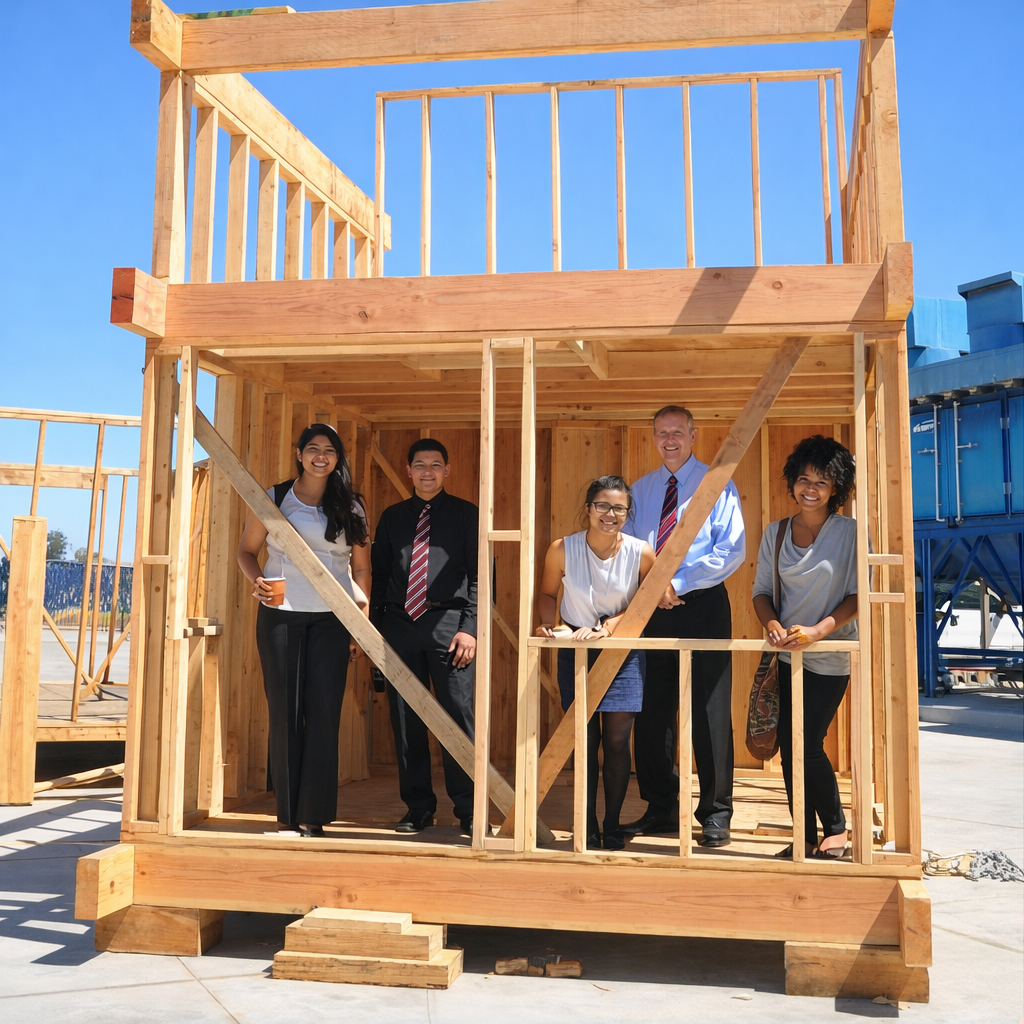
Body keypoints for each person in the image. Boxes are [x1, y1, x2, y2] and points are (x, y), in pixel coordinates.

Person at [237, 423, 370, 838]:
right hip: (281, 615)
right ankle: (286, 817)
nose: (320, 456)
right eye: (312, 448)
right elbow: (246, 551)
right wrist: (256, 579)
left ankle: (314, 818)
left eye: (329, 451)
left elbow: (361, 566)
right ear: (298, 453)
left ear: (337, 459)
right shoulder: (275, 498)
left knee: (324, 714)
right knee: (285, 713)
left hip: (333, 618)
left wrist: (359, 621)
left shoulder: (353, 505)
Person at [622, 405, 745, 847]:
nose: (669, 439)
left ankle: (715, 814)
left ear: (693, 435)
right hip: (650, 610)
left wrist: (676, 581)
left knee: (710, 711)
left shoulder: (717, 484)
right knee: (652, 711)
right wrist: (651, 587)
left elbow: (731, 550)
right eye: (661, 433)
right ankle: (661, 808)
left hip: (704, 603)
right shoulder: (641, 489)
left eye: (677, 432)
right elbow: (630, 549)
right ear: (653, 437)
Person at [752, 434, 859, 859]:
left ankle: (835, 828)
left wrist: (818, 631)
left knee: (808, 741)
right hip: (785, 655)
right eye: (803, 479)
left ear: (836, 489)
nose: (809, 489)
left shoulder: (850, 532)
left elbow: (856, 597)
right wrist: (773, 624)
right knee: (789, 746)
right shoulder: (776, 532)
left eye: (821, 482)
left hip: (830, 655)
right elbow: (761, 592)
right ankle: (805, 835)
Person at [535, 476, 656, 850]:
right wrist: (550, 625)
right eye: (602, 505)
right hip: (576, 647)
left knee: (618, 741)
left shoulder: (641, 551)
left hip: (623, 651)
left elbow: (646, 602)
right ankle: (585, 822)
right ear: (588, 509)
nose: (610, 514)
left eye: (619, 508)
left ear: (627, 513)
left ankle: (613, 823)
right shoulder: (562, 549)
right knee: (584, 740)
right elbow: (546, 593)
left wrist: (611, 628)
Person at [370, 439, 478, 835]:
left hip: (450, 627)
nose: (427, 472)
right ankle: (418, 808)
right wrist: (375, 631)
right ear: (409, 471)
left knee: (457, 718)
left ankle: (468, 811)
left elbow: (481, 577)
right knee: (405, 721)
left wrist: (471, 629)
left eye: (436, 465)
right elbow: (379, 576)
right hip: (398, 627)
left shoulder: (467, 515)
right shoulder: (393, 516)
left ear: (447, 470)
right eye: (420, 465)